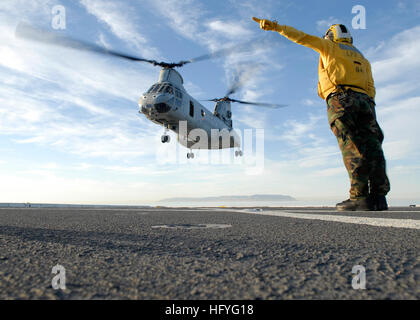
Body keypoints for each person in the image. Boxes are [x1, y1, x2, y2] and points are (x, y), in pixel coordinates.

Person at [252, 17, 390, 211]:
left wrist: (276, 27)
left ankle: (359, 197)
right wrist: (369, 104)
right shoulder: (362, 57)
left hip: (342, 100)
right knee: (373, 148)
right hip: (366, 103)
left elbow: (301, 37)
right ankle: (379, 197)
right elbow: (371, 86)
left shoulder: (330, 47)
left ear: (331, 35)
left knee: (351, 146)